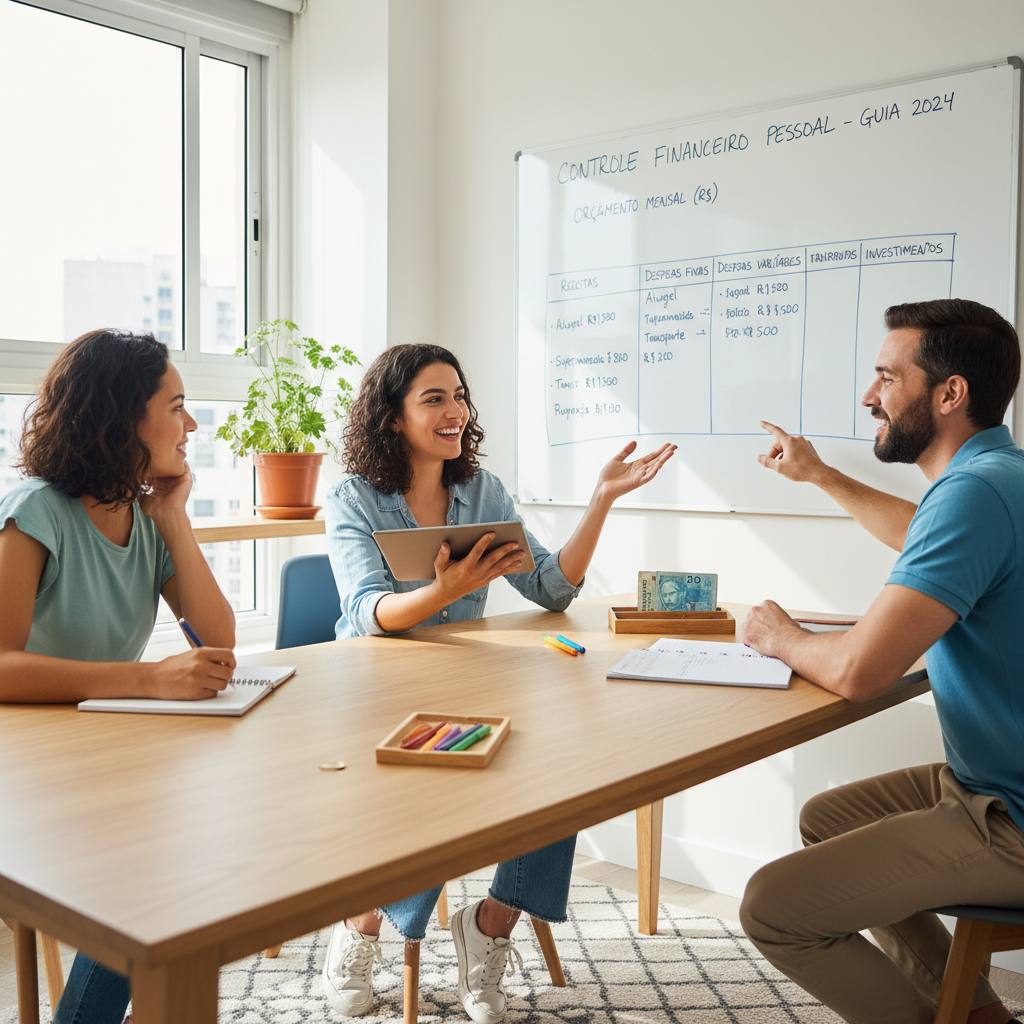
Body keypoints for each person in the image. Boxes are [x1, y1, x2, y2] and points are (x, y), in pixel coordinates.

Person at [325, 343, 675, 1022]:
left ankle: (489, 925)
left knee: (562, 768)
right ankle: (359, 923)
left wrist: (601, 498)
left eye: (459, 395)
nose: (455, 411)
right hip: (373, 689)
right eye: (434, 398)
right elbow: (367, 612)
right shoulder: (353, 498)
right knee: (426, 781)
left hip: (468, 682)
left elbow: (548, 587)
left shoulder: (482, 492)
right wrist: (443, 589)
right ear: (392, 417)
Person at [736, 299, 1024, 1024]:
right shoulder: (998, 477)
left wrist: (782, 638)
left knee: (774, 908)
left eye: (886, 377)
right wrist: (822, 476)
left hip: (1011, 818)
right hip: (989, 782)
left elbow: (862, 672)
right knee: (829, 818)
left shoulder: (974, 496)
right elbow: (918, 533)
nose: (870, 397)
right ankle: (980, 1015)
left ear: (949, 394)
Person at [0, 329, 237, 1024]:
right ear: (120, 414)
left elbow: (219, 643)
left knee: (201, 853)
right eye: (178, 406)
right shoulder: (36, 509)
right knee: (160, 872)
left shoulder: (143, 516)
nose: (191, 425)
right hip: (24, 767)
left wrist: (174, 519)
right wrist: (146, 681)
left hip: (100, 753)